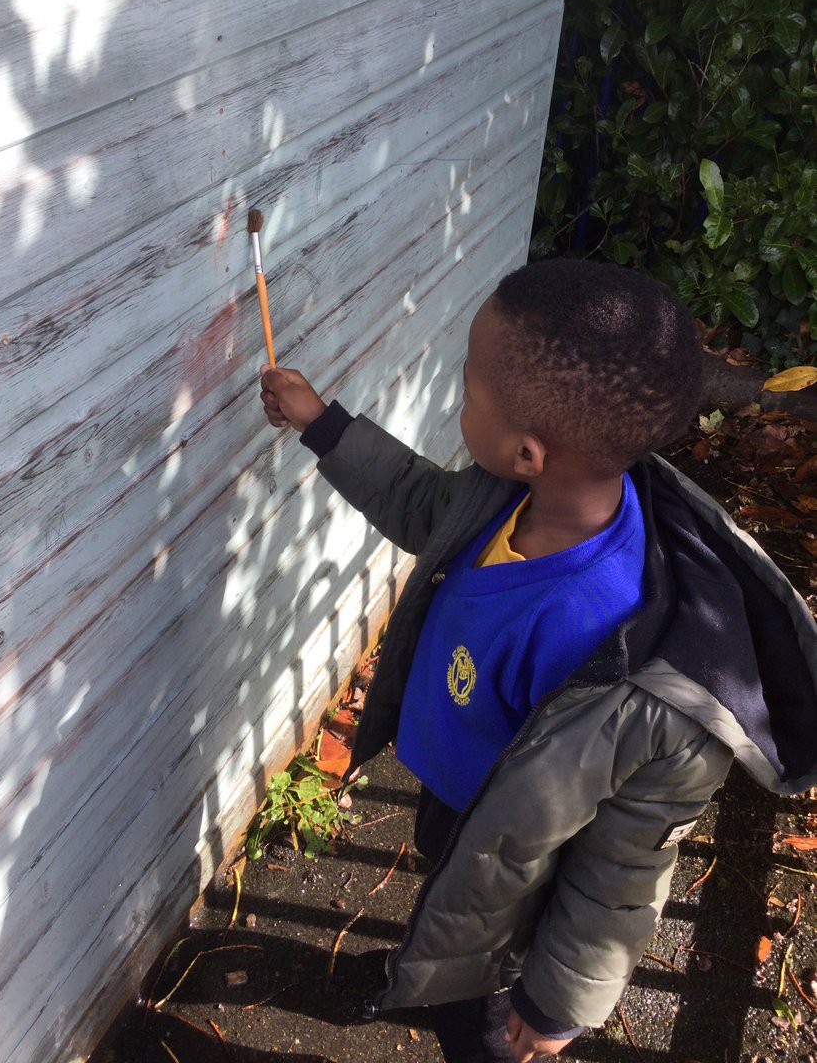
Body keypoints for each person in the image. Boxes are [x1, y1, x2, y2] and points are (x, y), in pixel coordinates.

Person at [258, 257, 817, 1063]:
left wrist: (557, 1006)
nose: (457, 404)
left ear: (528, 450)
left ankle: (457, 1000)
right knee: (448, 894)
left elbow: (621, 872)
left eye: (466, 393)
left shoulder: (649, 690)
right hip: (465, 812)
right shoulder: (507, 497)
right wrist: (325, 427)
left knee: (475, 1018)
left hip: (527, 883)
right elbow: (422, 504)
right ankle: (431, 959)